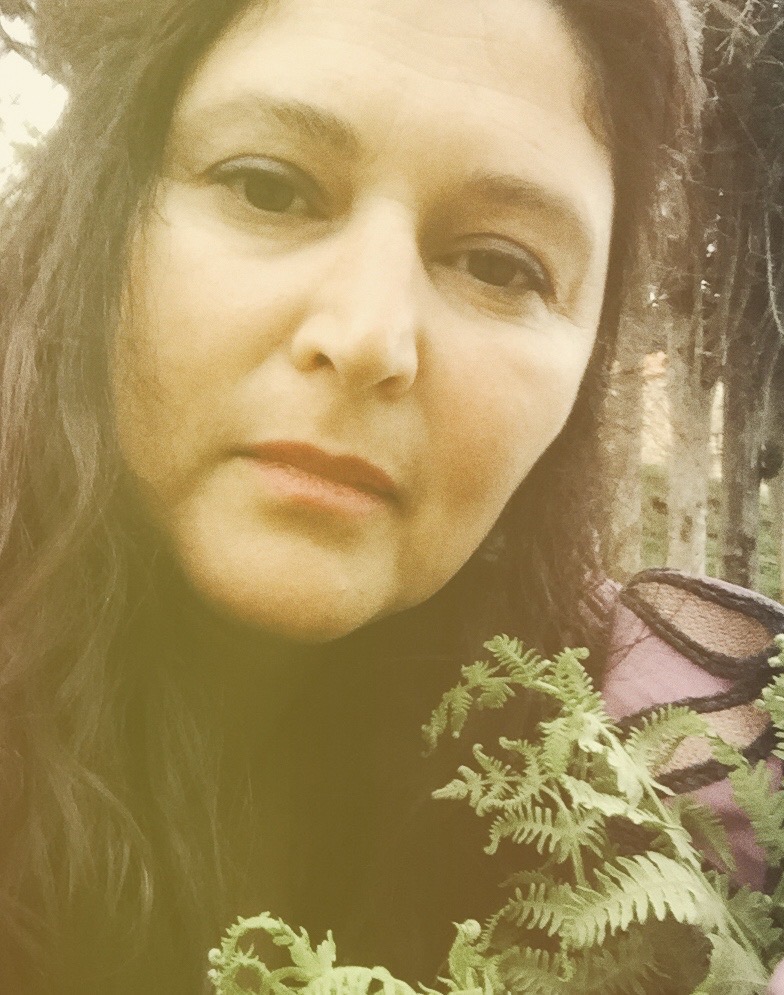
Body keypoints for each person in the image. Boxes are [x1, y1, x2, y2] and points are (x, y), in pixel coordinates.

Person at [0, 0, 780, 991]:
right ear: (92, 219)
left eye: (499, 263)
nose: (370, 336)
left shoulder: (696, 781)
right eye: (267, 187)